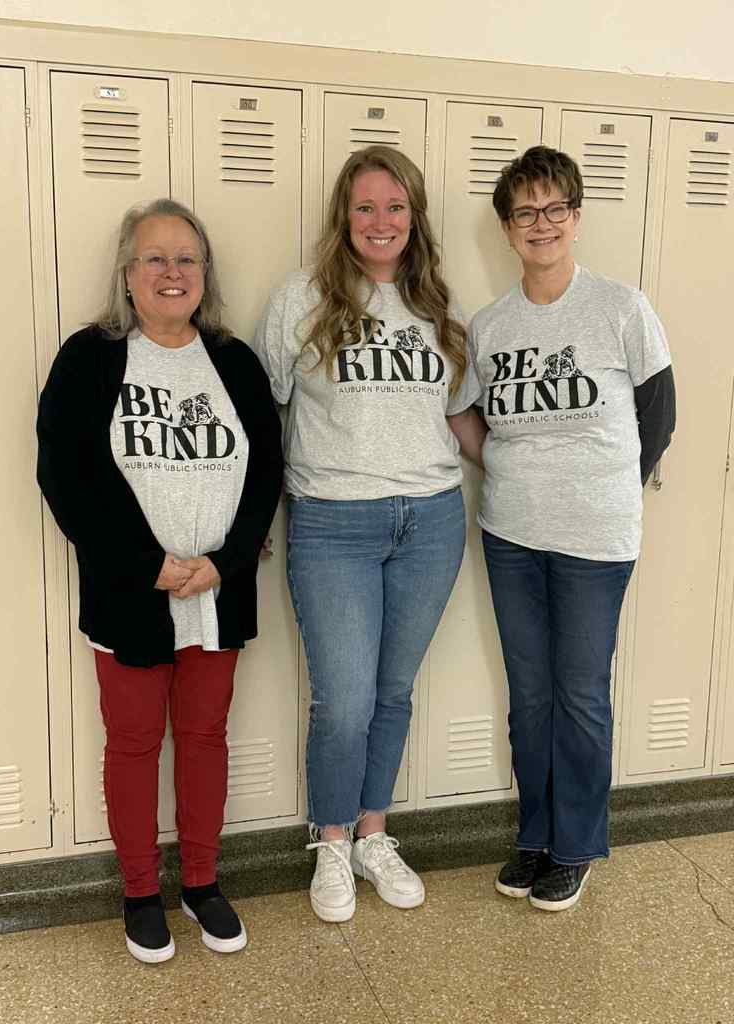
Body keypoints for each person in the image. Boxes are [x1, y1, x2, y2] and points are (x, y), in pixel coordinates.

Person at [37, 198, 283, 962]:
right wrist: (148, 565)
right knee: (135, 742)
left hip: (218, 591)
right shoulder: (91, 355)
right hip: (129, 596)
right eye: (155, 258)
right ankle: (141, 890)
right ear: (128, 273)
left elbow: (268, 472)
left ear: (204, 274)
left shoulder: (235, 362)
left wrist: (224, 560)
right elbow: (65, 475)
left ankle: (202, 882)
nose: (172, 272)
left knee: (207, 737)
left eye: (186, 259)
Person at [253, 145, 482, 922]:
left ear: (414, 216)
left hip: (432, 520)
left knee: (391, 692)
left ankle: (374, 835)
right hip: (333, 523)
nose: (380, 222)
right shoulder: (302, 299)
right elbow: (263, 413)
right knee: (343, 701)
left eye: (394, 207)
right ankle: (331, 843)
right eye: (364, 207)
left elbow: (459, 416)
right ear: (342, 218)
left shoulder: (437, 306)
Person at [465, 146, 675, 911]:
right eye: (525, 212)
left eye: (555, 209)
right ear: (507, 228)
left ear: (577, 218)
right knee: (530, 695)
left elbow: (659, 410)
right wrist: (513, 470)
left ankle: (577, 844)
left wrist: (607, 481)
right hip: (511, 533)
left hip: (596, 538)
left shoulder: (621, 307)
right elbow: (468, 412)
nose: (541, 223)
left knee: (580, 691)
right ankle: (536, 835)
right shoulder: (490, 325)